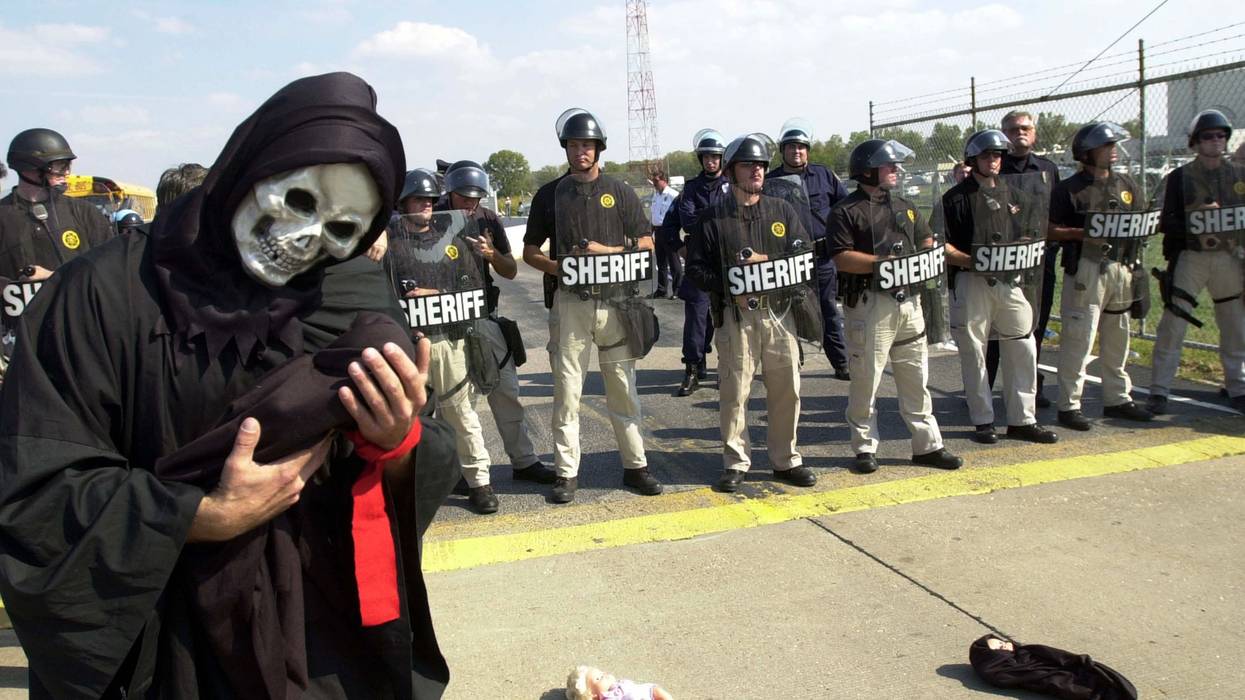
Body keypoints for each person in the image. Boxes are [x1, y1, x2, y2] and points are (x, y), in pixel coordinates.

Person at [0, 72, 455, 698]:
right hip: (161, 640)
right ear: (250, 166)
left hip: (313, 636)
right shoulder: (100, 293)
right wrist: (198, 516)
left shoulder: (348, 294)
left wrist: (395, 440)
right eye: (298, 201)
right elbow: (38, 483)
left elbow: (411, 457)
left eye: (341, 229)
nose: (305, 240)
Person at [522, 108, 660, 503]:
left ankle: (636, 466)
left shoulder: (619, 191)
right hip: (571, 305)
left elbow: (647, 242)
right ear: (565, 148)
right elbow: (531, 252)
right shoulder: (549, 194)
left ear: (599, 148)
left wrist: (607, 251)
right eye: (573, 144)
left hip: (617, 303)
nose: (580, 151)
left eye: (587, 144)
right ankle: (566, 472)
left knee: (622, 388)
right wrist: (560, 268)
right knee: (567, 391)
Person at [686, 133, 821, 491]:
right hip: (736, 318)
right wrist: (731, 287)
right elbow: (695, 271)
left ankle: (786, 459)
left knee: (786, 389)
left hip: (780, 315)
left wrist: (768, 263)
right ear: (731, 172)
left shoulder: (783, 210)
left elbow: (804, 257)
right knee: (734, 392)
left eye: (761, 165)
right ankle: (736, 462)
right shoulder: (711, 220)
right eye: (749, 165)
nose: (757, 171)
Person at [829, 139, 963, 474]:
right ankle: (864, 447)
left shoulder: (906, 205)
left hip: (910, 300)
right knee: (866, 378)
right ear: (868, 170)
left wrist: (927, 249)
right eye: (890, 166)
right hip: (870, 303)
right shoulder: (846, 211)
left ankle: (928, 445)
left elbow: (926, 239)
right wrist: (882, 263)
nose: (896, 170)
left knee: (916, 375)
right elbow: (842, 258)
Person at [434, 161, 557, 509]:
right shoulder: (432, 218)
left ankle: (524, 460)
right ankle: (462, 470)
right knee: (457, 405)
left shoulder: (487, 219)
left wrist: (490, 255)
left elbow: (511, 269)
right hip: (445, 322)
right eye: (464, 197)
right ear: (450, 192)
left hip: (485, 315)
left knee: (506, 390)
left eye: (475, 198)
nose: (470, 204)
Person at [941, 130, 1058, 445]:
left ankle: (1023, 419)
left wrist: (1017, 249)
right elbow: (942, 246)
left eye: (997, 155)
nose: (993, 160)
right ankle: (983, 420)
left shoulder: (1017, 196)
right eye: (986, 155)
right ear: (972, 160)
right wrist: (975, 261)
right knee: (975, 351)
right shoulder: (955, 199)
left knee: (1023, 345)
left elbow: (1031, 234)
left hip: (1011, 282)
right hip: (971, 283)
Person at [1048, 121, 1155, 430]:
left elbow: (1143, 221)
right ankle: (1069, 405)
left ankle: (1118, 398)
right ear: (1086, 152)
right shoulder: (1069, 189)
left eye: (1112, 145)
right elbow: (1049, 229)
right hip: (1086, 269)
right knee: (1079, 338)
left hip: (1121, 266)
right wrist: (1082, 234)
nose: (1113, 151)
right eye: (1106, 146)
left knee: (1118, 336)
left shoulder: (1127, 185)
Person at [1147, 109, 1245, 414]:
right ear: (1195, 141)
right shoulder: (1178, 177)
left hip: (1228, 258)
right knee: (1174, 323)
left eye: (1220, 135)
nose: (1215, 141)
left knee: (1234, 324)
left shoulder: (1237, 175)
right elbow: (1163, 220)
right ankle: (1159, 389)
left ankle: (1237, 386)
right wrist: (1197, 220)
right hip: (1192, 256)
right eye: (1208, 136)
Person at [768, 118, 851, 380]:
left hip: (822, 257)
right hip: (788, 260)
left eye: (801, 147)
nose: (797, 152)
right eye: (791, 147)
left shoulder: (824, 175)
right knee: (789, 311)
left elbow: (845, 207)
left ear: (808, 150)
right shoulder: (771, 181)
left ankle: (841, 362)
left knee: (828, 311)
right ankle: (793, 359)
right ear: (783, 151)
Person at [992, 110, 1063, 408]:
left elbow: (1056, 214)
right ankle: (983, 387)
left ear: (1034, 133)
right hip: (1002, 266)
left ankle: (1033, 385)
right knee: (995, 333)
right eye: (1012, 129)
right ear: (1003, 134)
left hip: (1039, 263)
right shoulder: (993, 168)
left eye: (1025, 127)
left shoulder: (1048, 169)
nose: (1019, 132)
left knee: (1034, 327)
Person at [674, 128, 730, 396]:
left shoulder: (733, 184)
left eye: (715, 157)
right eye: (706, 157)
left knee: (729, 317)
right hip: (699, 261)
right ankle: (693, 367)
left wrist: (706, 221)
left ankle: (727, 367)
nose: (711, 162)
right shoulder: (691, 188)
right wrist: (681, 247)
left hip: (729, 261)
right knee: (696, 316)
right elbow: (683, 220)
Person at [648, 169, 680, 298]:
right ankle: (662, 290)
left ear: (664, 180)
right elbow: (654, 214)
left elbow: (679, 213)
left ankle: (678, 290)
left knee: (674, 262)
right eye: (653, 181)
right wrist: (650, 231)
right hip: (658, 231)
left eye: (656, 181)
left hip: (670, 230)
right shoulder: (656, 195)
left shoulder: (673, 194)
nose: (654, 184)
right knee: (660, 262)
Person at [566, 665, 674, 700]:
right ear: (592, 694)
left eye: (601, 673)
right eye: (599, 678)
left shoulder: (619, 684)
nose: (604, 674)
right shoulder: (609, 697)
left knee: (657, 690)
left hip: (647, 692)